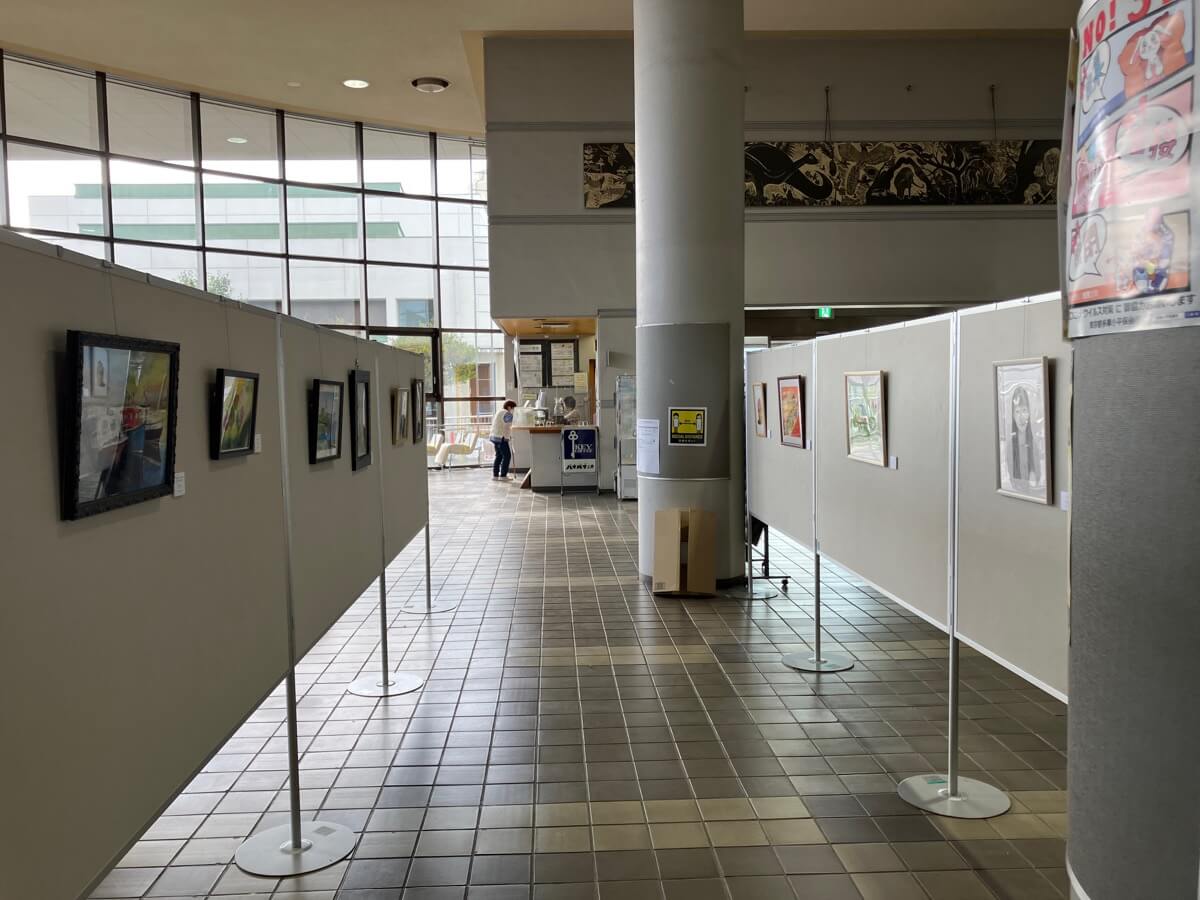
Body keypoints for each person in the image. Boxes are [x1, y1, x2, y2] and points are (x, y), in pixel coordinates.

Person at [490, 399, 517, 479]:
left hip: (494, 437)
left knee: (499, 456)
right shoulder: (506, 413)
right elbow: (511, 423)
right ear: (509, 407)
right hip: (500, 438)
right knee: (507, 456)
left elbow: (506, 425)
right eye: (513, 408)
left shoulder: (500, 411)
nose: (513, 411)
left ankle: (495, 474)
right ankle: (503, 475)